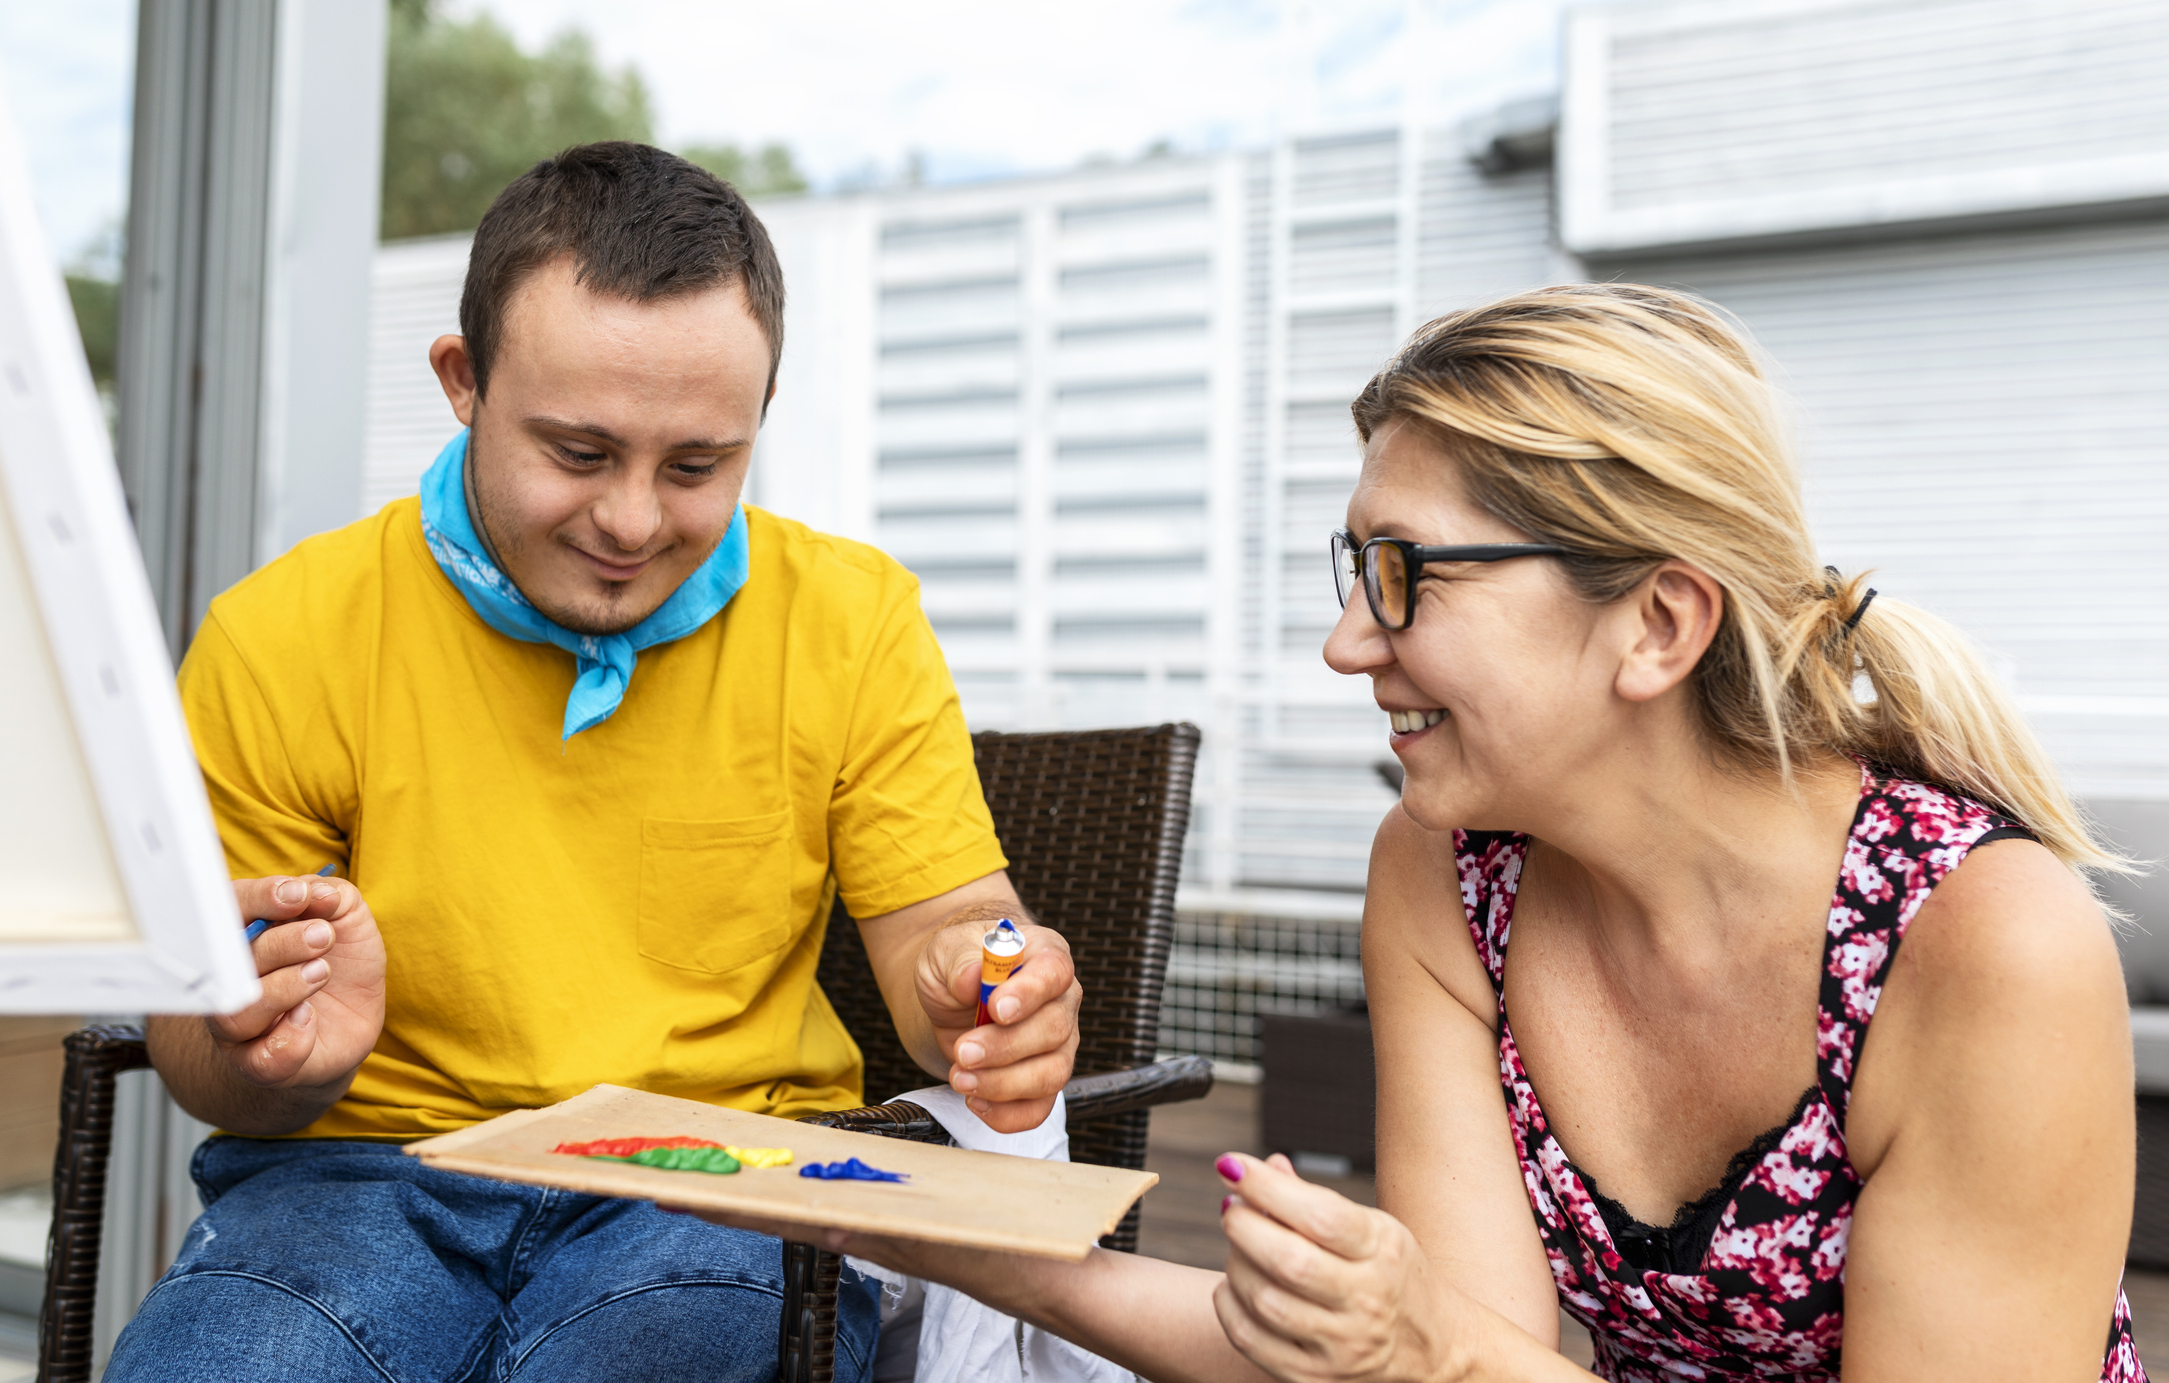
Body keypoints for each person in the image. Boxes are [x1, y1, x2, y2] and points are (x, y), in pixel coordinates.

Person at [713, 284, 2144, 1381]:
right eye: (1354, 570)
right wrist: (949, 1230)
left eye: (1404, 575)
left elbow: (1442, 1355)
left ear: (1655, 621)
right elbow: (1413, 1347)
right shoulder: (1452, 876)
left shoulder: (1981, 944)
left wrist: (1428, 1348)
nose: (1346, 642)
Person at [106, 142, 1081, 1383]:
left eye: (696, 467)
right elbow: (201, 1059)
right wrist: (260, 1053)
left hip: (723, 1177)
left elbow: (953, 931)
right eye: (578, 453)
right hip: (353, 1178)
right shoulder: (281, 635)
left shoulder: (852, 619)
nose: (631, 522)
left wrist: (988, 1000)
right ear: (464, 381)